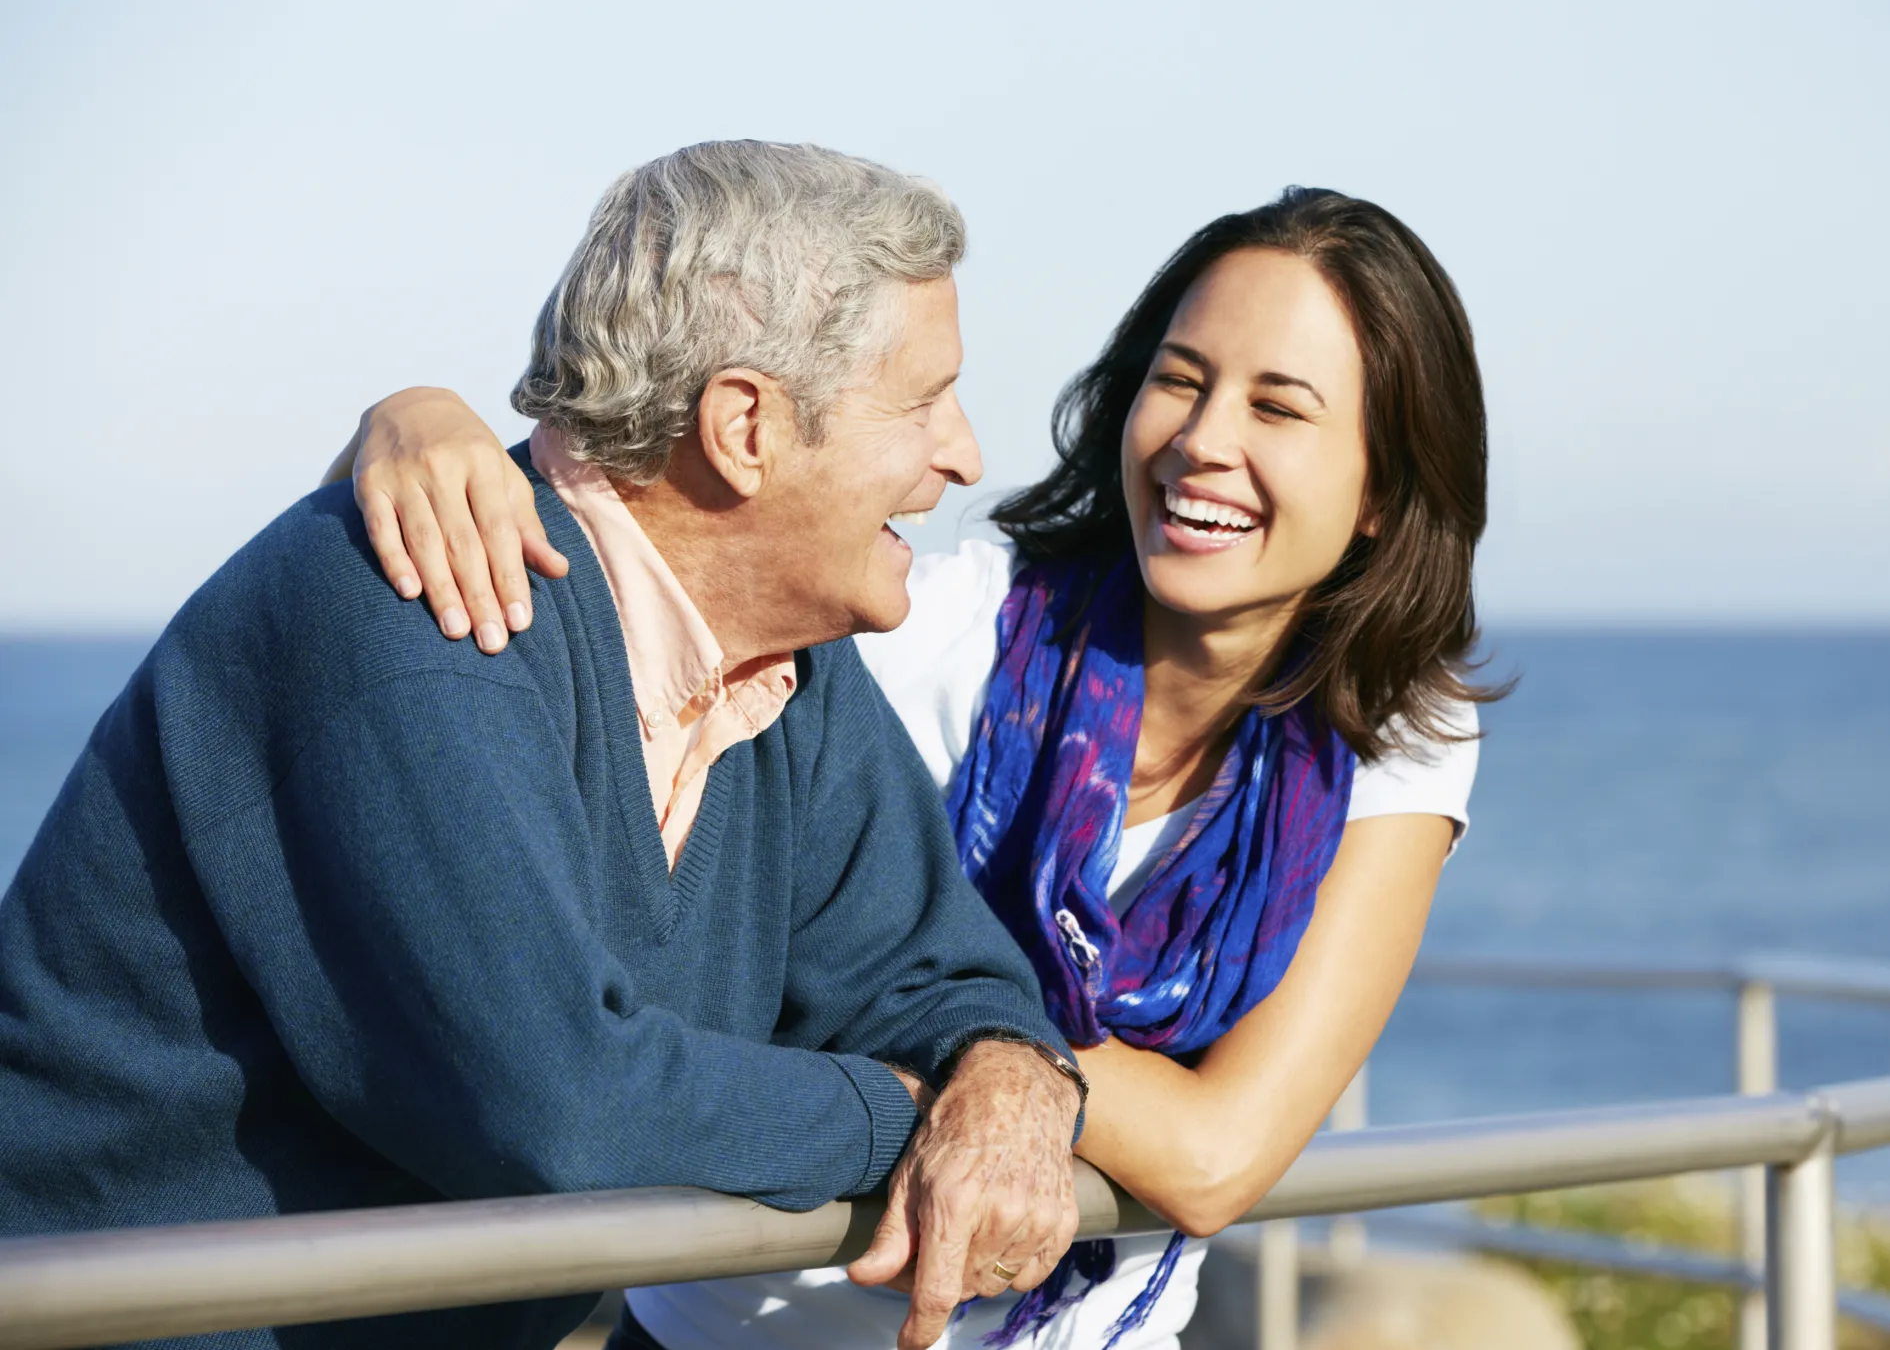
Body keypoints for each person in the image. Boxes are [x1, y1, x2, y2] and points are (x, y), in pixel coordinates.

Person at [348, 186, 1501, 1350]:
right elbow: (631, 592)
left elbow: (1216, 1157)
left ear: (1383, 494)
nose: (1205, 440)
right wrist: (416, 418)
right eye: (1181, 378)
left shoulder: (1399, 736)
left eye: (1279, 407)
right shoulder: (933, 630)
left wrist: (972, 1048)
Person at [0, 141, 1089, 1350]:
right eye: (924, 398)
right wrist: (898, 1113)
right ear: (745, 426)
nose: (966, 454)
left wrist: (1002, 1082)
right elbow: (559, 1108)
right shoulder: (417, 610)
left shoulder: (794, 672)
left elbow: (940, 972)